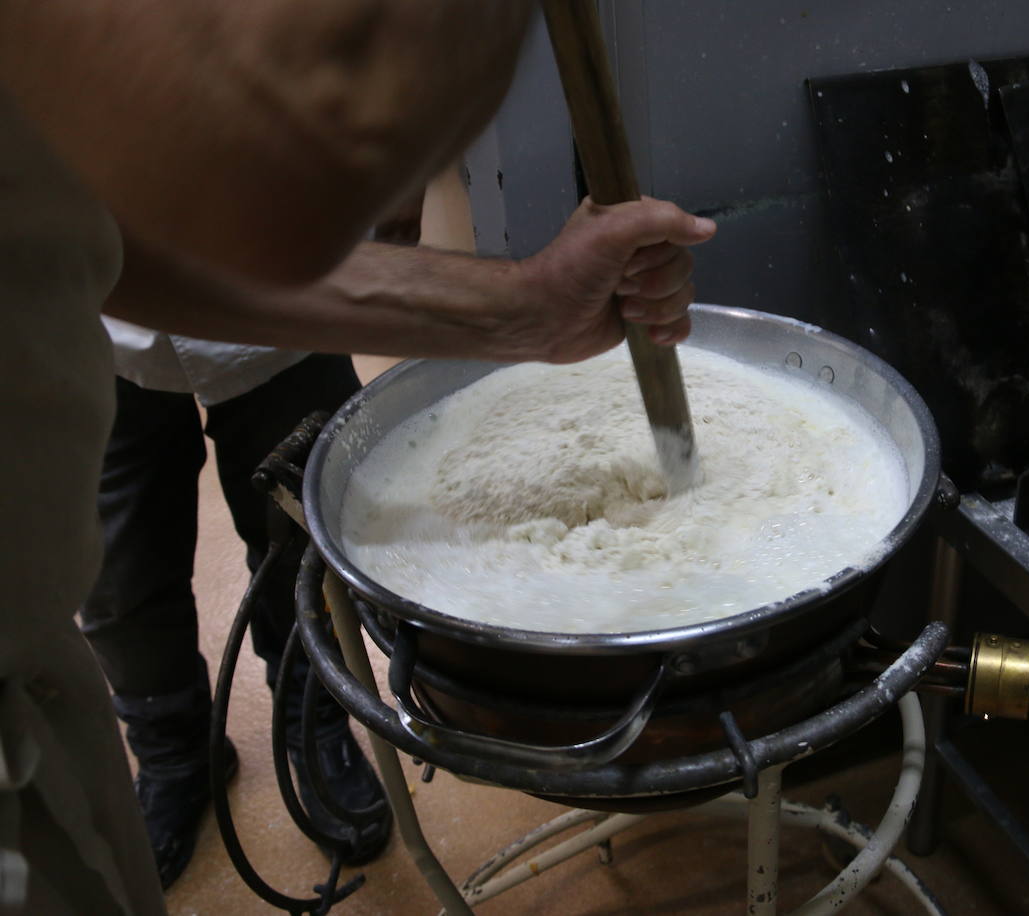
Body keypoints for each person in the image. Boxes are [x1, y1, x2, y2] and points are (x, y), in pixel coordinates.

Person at [0, 3, 716, 913]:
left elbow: (118, 242)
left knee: (294, 542)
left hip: (43, 742)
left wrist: (523, 308)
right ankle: (175, 751)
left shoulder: (44, 148)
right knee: (122, 580)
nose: (389, 216)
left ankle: (310, 722)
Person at [78, 325, 386, 890]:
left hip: (273, 294)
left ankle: (313, 723)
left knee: (305, 538)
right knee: (116, 569)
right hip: (92, 315)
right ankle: (174, 753)